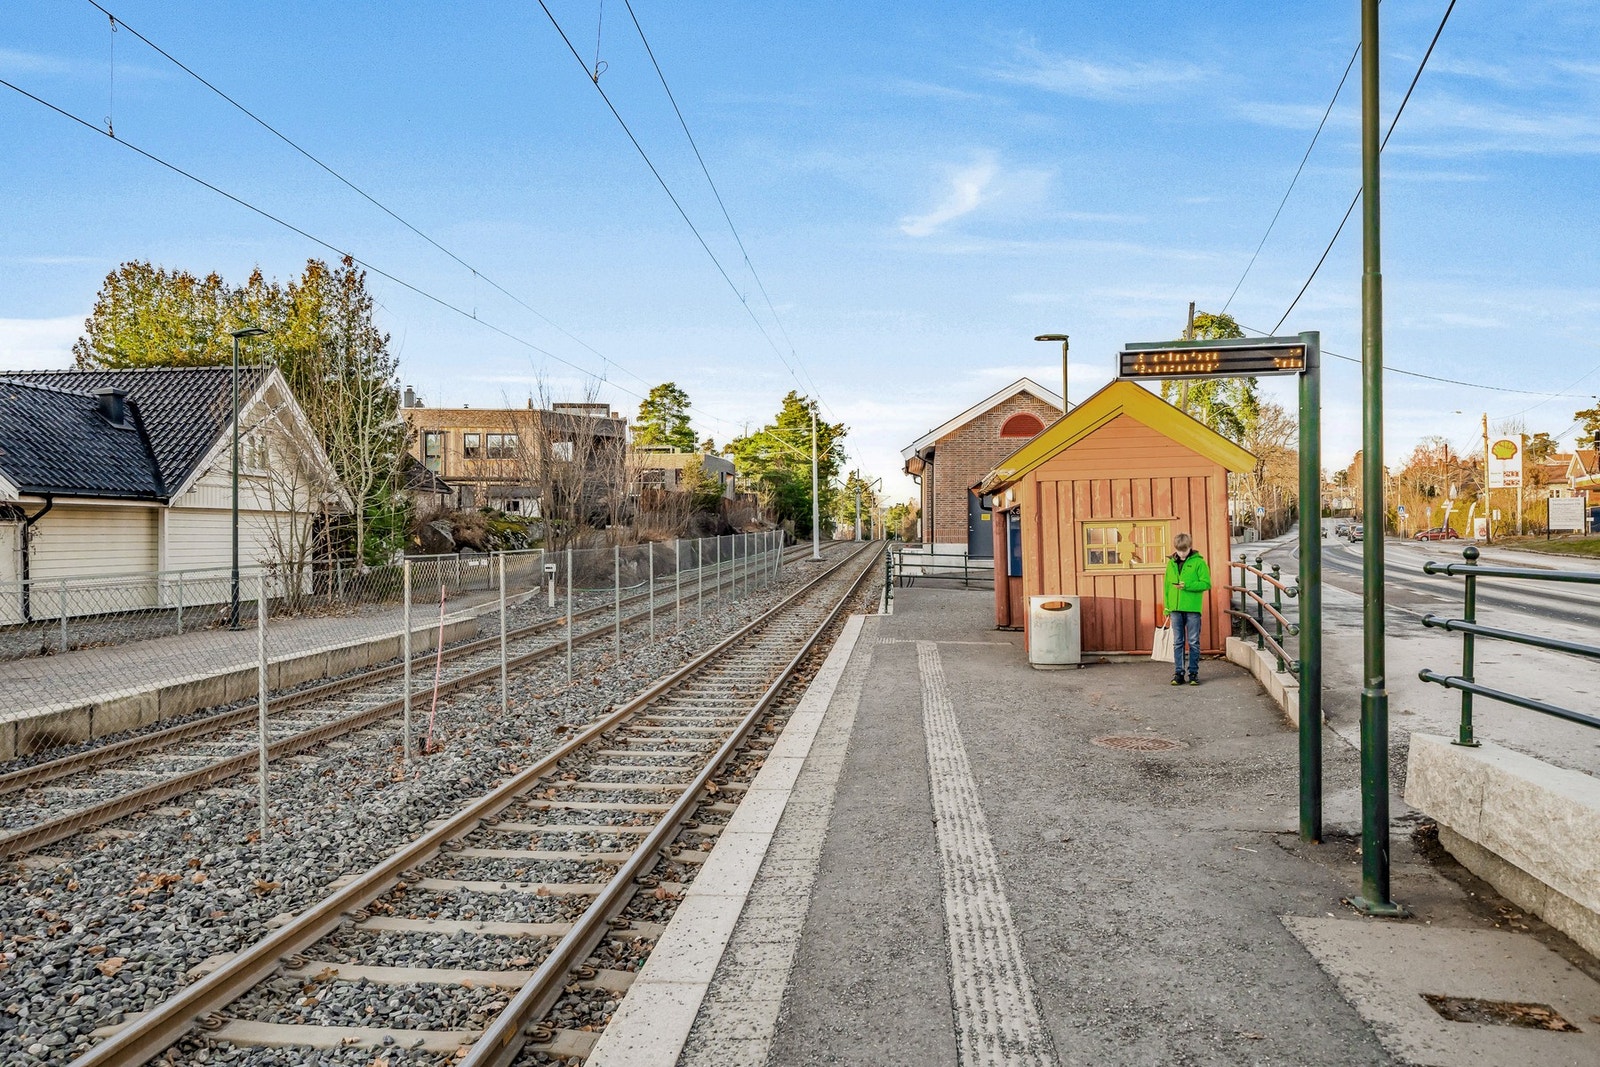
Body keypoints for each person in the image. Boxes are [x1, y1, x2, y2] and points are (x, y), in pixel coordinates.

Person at [1163, 532, 1210, 685]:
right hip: (1175, 608)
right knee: (1177, 641)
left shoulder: (1199, 563)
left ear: (1190, 547)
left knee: (1193, 641)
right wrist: (1167, 607)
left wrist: (1187, 586)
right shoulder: (1171, 563)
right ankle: (1178, 673)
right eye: (1179, 550)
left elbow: (1206, 584)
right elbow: (1167, 587)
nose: (1181, 553)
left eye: (1184, 550)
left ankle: (1193, 673)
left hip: (1192, 608)